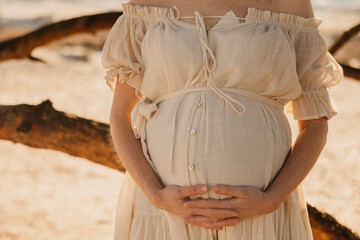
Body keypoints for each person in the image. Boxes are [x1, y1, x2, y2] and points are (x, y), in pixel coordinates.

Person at [101, 0, 343, 239]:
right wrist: (154, 194)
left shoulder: (289, 4)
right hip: (164, 214)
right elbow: (120, 115)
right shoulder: (147, 4)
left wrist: (273, 199)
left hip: (260, 217)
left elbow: (314, 124)